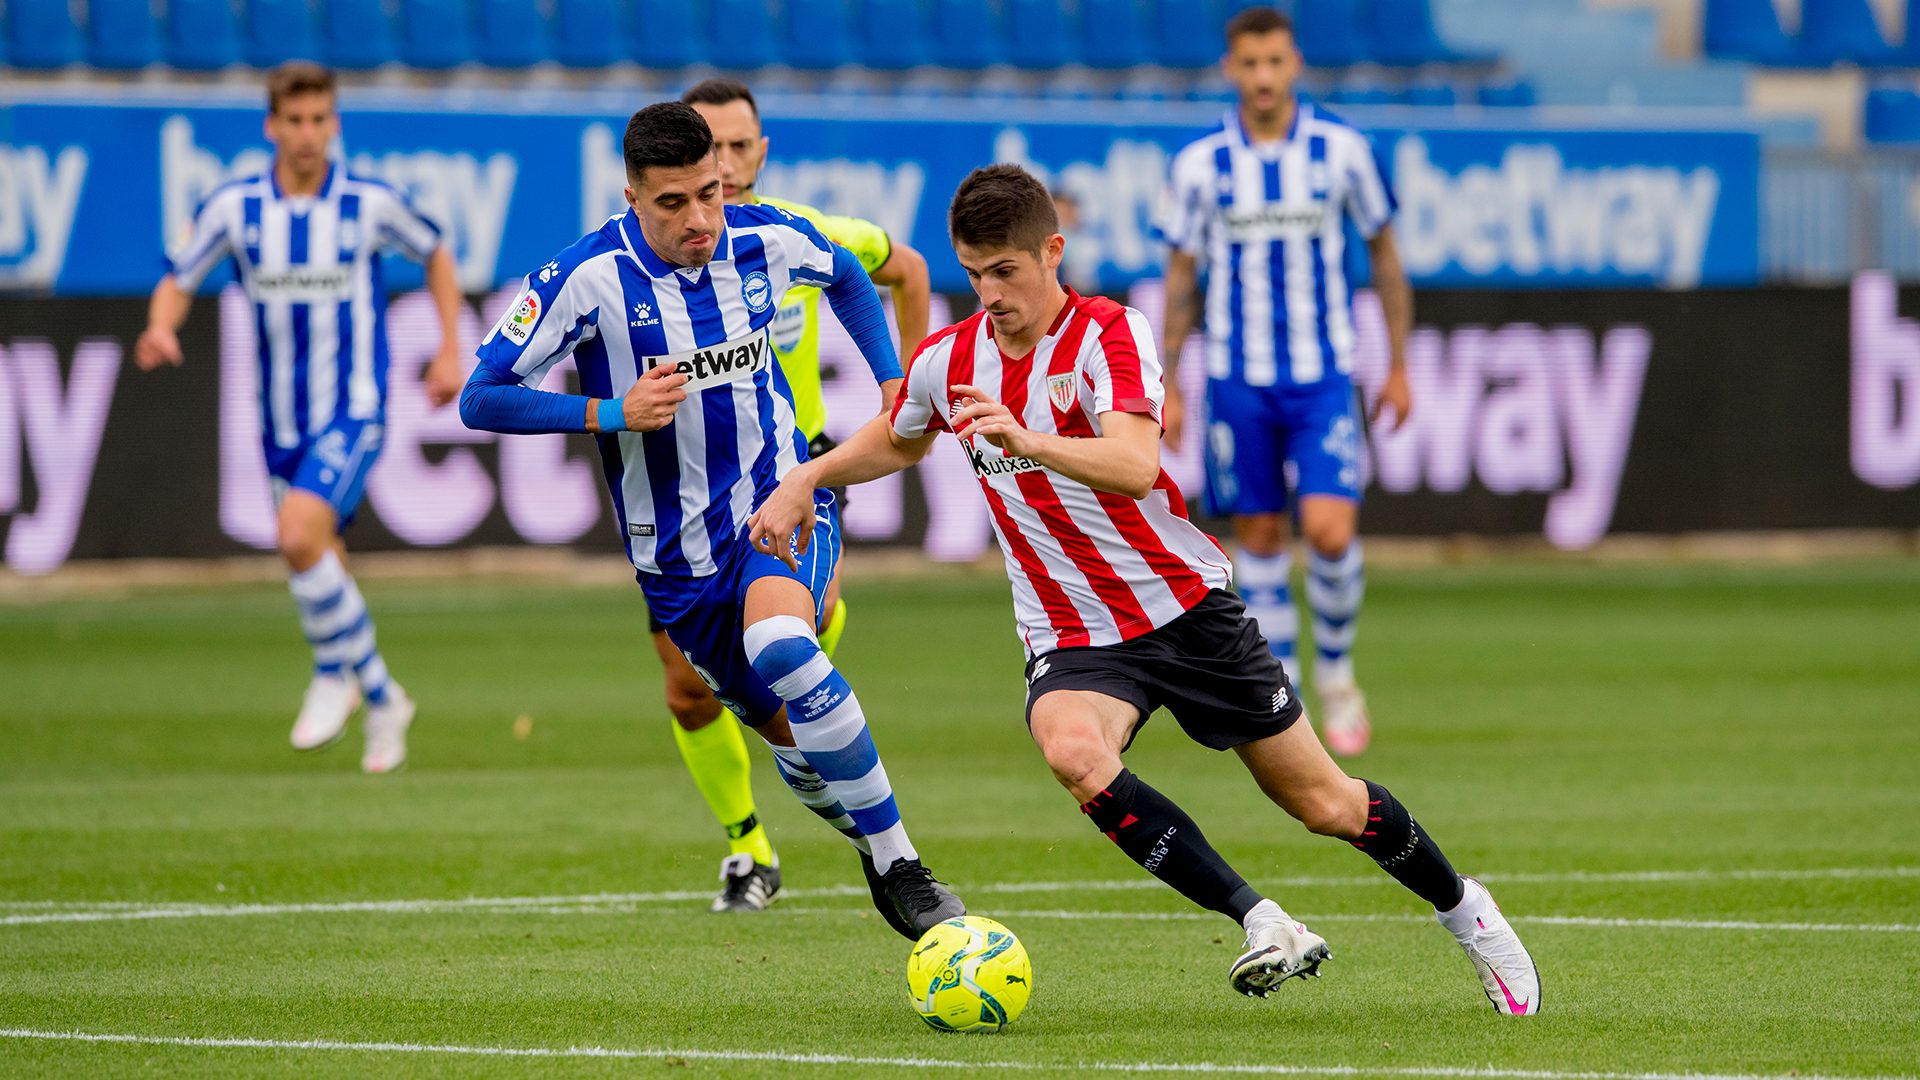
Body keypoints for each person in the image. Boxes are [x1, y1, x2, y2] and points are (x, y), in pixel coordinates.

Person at [748, 164, 1538, 1013]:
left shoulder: (1110, 335)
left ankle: (1468, 913)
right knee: (1072, 752)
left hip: (1184, 608)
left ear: (1052, 252)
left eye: (1005, 271)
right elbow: (900, 442)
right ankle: (1263, 920)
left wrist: (1030, 438)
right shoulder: (950, 359)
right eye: (973, 274)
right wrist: (810, 478)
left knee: (1325, 803)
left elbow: (1134, 464)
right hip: (1072, 634)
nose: (989, 293)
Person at [458, 102, 964, 938]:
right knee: (795, 747)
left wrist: (890, 381)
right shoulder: (581, 280)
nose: (698, 219)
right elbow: (482, 396)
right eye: (672, 203)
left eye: (709, 194)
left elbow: (846, 275)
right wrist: (607, 411)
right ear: (631, 196)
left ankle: (903, 863)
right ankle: (876, 853)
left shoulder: (762, 235)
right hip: (678, 565)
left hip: (781, 499)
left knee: (785, 647)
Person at [639, 78, 931, 914]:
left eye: (738, 147)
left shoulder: (798, 234)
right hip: (688, 495)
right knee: (687, 690)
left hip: (793, 471)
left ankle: (871, 831)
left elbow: (903, 269)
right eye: (711, 148)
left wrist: (907, 388)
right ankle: (747, 848)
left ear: (760, 152)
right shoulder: (654, 261)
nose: (724, 164)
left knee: (791, 641)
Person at [135, 62, 465, 774]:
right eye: (296, 121)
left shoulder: (370, 203)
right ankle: (377, 692)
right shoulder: (234, 207)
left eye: (321, 120)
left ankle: (336, 678)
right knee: (322, 557)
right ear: (272, 126)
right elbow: (178, 274)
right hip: (280, 418)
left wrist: (449, 347)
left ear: (334, 124)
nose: (309, 134)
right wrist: (162, 327)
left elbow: (435, 250)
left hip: (355, 407)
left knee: (296, 537)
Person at [1156, 6, 1414, 756]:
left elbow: (1386, 257)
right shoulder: (1200, 166)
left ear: (1294, 64)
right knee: (1261, 535)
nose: (1263, 77)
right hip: (1238, 380)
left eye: (1275, 62)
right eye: (1250, 64)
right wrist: (1169, 381)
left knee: (1331, 530)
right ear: (1230, 70)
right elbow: (1181, 275)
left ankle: (1337, 674)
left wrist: (1398, 364)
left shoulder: (1344, 152)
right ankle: (1289, 685)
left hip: (1323, 375)